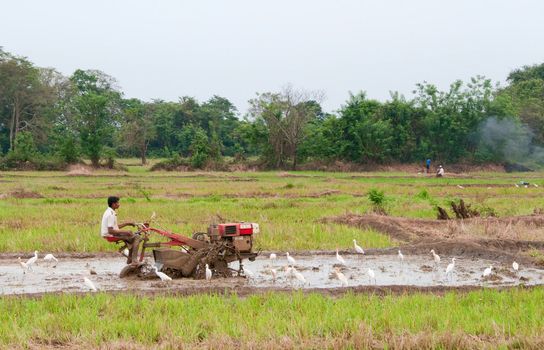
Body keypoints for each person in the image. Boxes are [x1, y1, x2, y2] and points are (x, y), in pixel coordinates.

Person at [101, 196, 141, 265]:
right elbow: (111, 230)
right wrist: (126, 231)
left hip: (111, 234)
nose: (119, 204)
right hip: (110, 235)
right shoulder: (110, 214)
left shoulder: (110, 211)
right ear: (113, 204)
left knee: (132, 238)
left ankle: (129, 259)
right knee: (137, 237)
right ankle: (134, 260)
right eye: (118, 203)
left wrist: (127, 223)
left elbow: (115, 227)